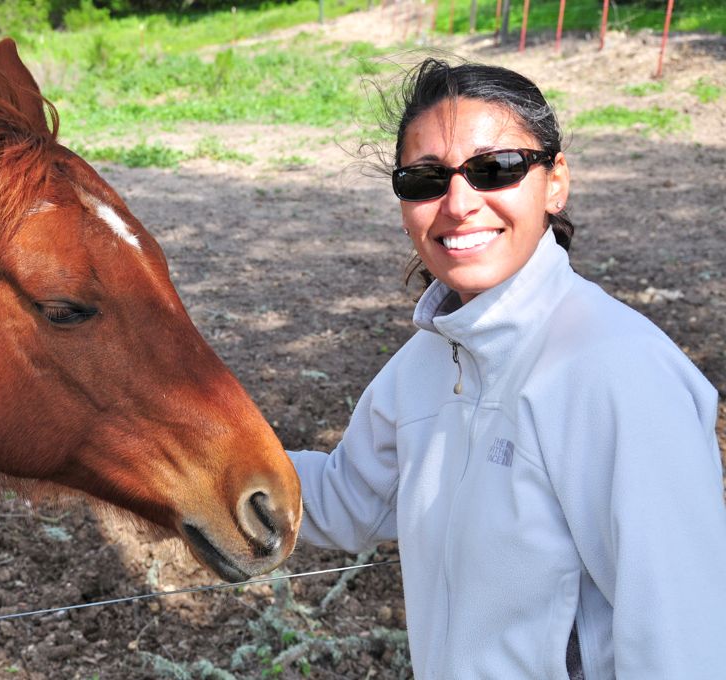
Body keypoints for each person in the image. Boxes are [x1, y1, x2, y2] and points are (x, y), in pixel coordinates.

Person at [287, 58, 726, 679]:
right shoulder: (426, 361)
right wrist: (197, 460)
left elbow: (684, 641)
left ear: (554, 183)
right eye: (424, 179)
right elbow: (345, 497)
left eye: (496, 169)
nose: (458, 204)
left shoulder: (619, 372)